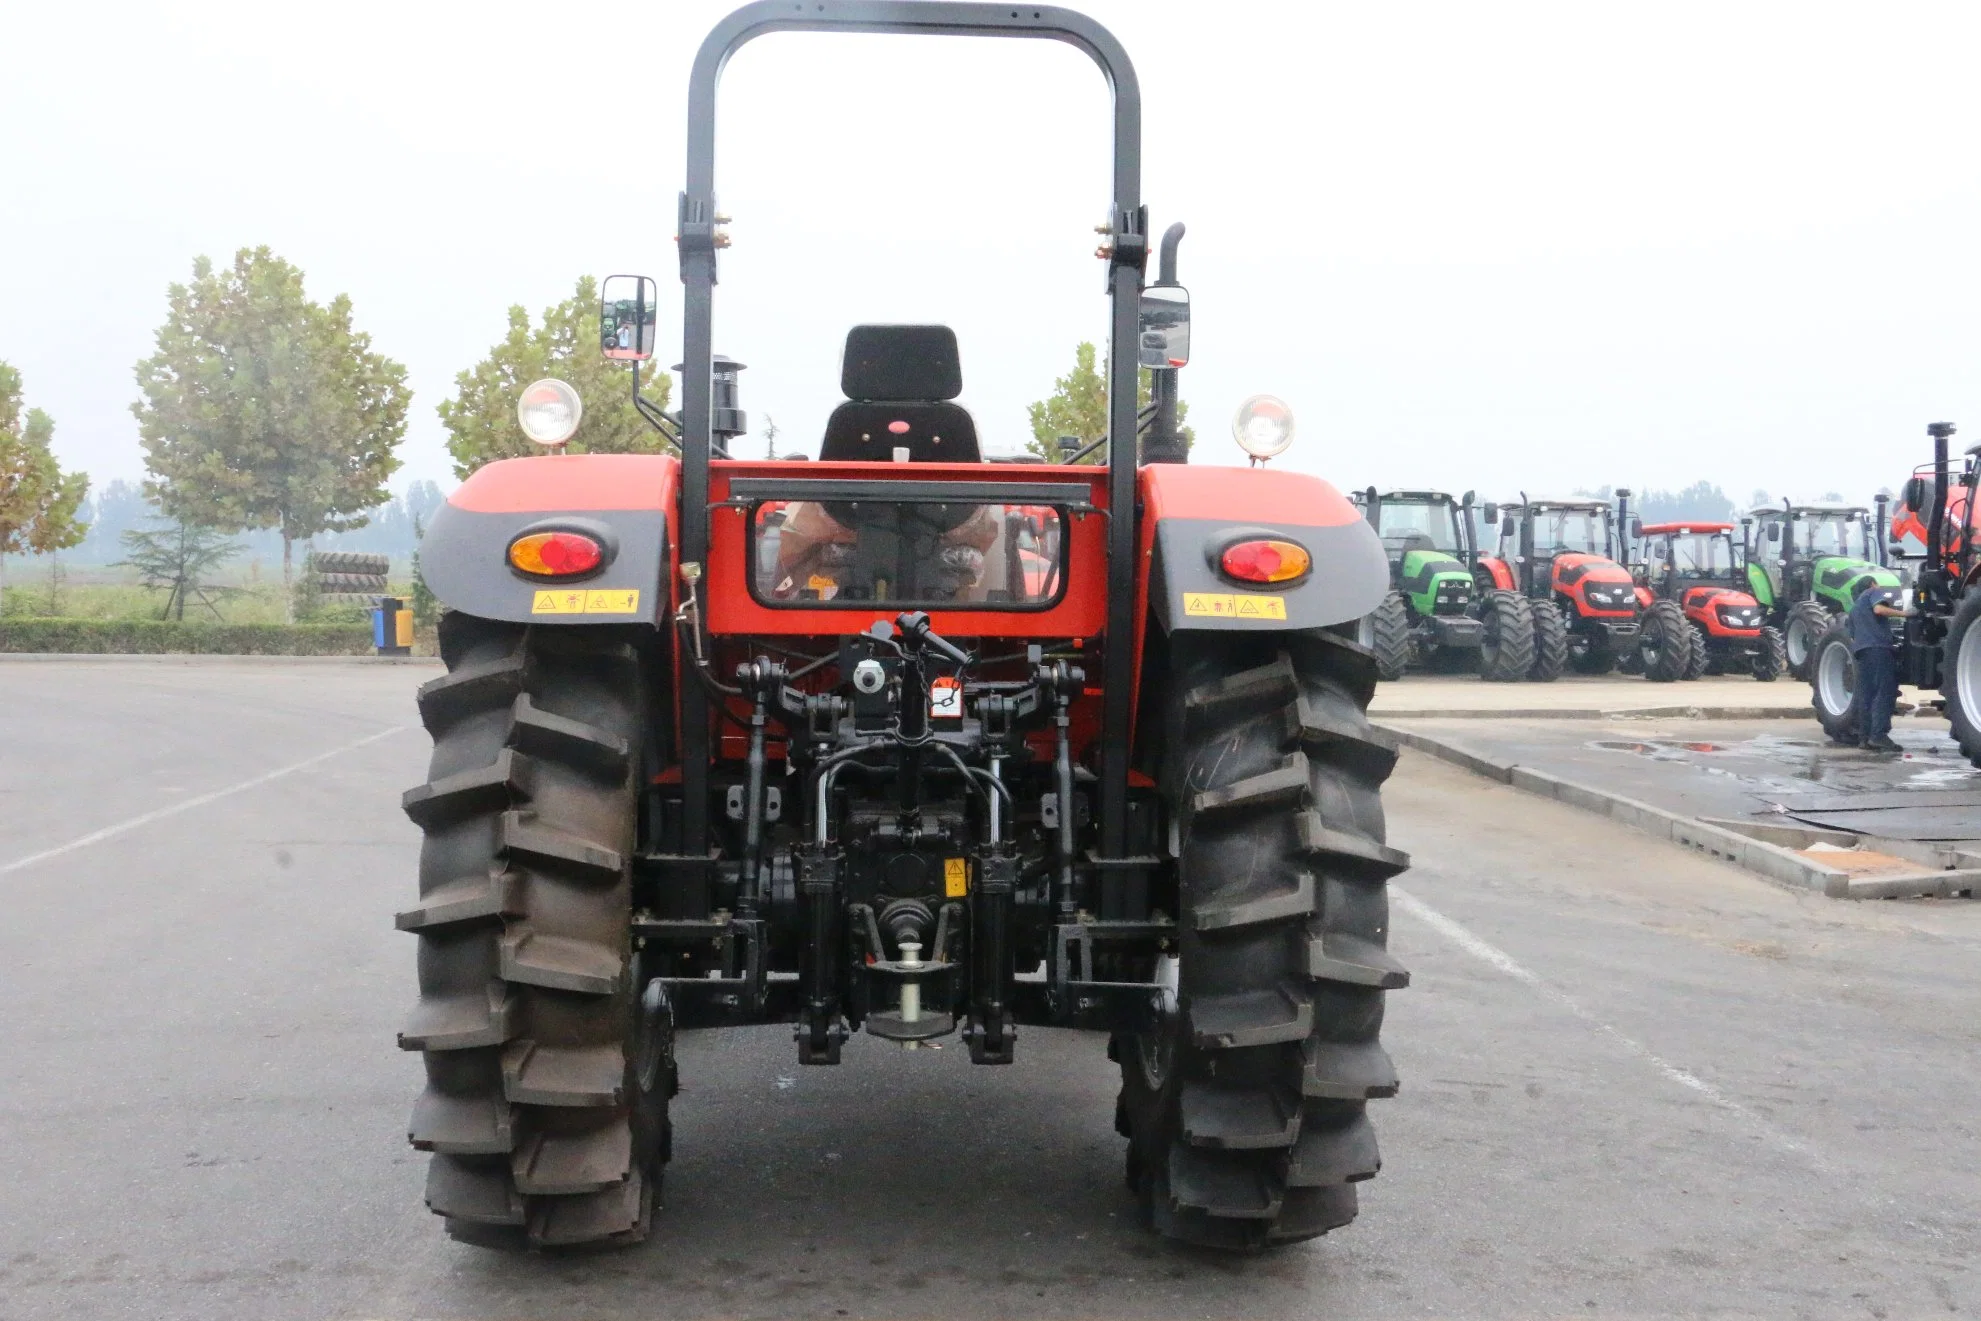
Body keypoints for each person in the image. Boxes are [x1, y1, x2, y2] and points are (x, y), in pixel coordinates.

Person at [1846, 580, 1906, 752]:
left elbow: (1852, 637)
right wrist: (1905, 614)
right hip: (1878, 649)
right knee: (1884, 691)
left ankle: (1864, 738)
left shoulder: (1854, 609)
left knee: (1867, 695)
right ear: (1872, 584)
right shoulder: (1872, 593)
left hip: (1862, 653)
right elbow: (1879, 609)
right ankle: (1878, 736)